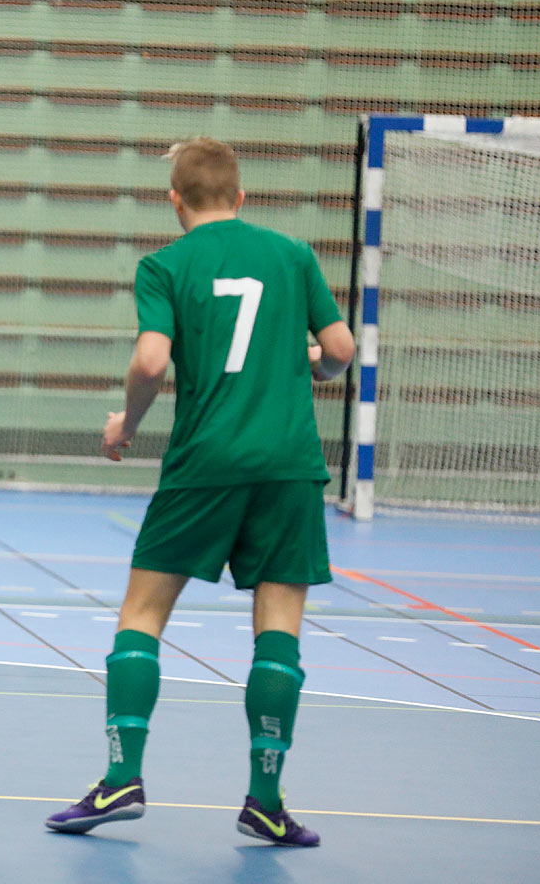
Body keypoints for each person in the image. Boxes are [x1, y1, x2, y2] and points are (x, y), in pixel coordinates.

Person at [46, 137, 355, 846]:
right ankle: (266, 800)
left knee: (143, 615)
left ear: (175, 199)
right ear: (241, 197)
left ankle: (122, 778)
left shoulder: (166, 265)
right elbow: (338, 353)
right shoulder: (292, 255)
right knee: (278, 630)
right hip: (289, 466)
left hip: (204, 463)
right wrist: (310, 365)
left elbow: (152, 358)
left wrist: (126, 422)